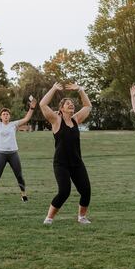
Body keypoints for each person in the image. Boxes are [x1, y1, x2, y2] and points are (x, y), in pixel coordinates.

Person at [38, 82, 92, 225]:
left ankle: (82, 217)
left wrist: (80, 89)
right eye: (68, 104)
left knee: (86, 191)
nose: (71, 105)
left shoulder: (76, 120)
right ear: (61, 108)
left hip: (76, 163)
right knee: (64, 191)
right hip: (61, 164)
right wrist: (54, 89)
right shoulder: (56, 120)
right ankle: (49, 218)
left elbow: (87, 106)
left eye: (72, 104)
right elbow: (43, 105)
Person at [0, 94, 36, 201]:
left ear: (10, 116)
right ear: (0, 117)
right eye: (4, 114)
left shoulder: (14, 124)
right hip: (1, 154)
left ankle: (23, 195)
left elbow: (27, 118)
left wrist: (32, 108)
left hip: (13, 154)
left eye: (7, 114)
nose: (5, 115)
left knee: (19, 175)